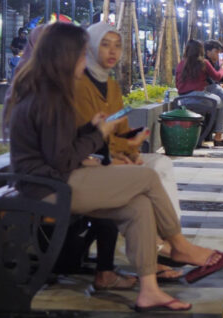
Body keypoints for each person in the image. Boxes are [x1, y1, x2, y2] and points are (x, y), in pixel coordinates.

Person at [8, 23, 223, 312]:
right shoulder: (50, 97)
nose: (83, 61)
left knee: (137, 206)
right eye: (80, 55)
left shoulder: (52, 92)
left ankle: (149, 290)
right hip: (49, 188)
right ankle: (178, 245)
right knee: (148, 177)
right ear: (65, 57)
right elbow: (60, 158)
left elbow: (58, 147)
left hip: (57, 180)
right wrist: (98, 134)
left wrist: (93, 133)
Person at [73, 21, 184, 284]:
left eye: (118, 46)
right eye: (105, 44)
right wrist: (120, 154)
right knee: (148, 175)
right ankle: (163, 247)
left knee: (161, 164)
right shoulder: (78, 85)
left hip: (105, 156)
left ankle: (164, 243)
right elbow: (92, 135)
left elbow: (118, 128)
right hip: (89, 162)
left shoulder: (111, 85)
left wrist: (130, 146)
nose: (113, 52)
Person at [176, 40, 223, 147]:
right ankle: (218, 137)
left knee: (214, 87)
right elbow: (217, 76)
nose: (218, 54)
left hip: (182, 100)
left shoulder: (181, 64)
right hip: (199, 99)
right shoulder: (203, 62)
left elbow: (178, 85)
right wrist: (222, 68)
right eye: (217, 51)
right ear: (202, 50)